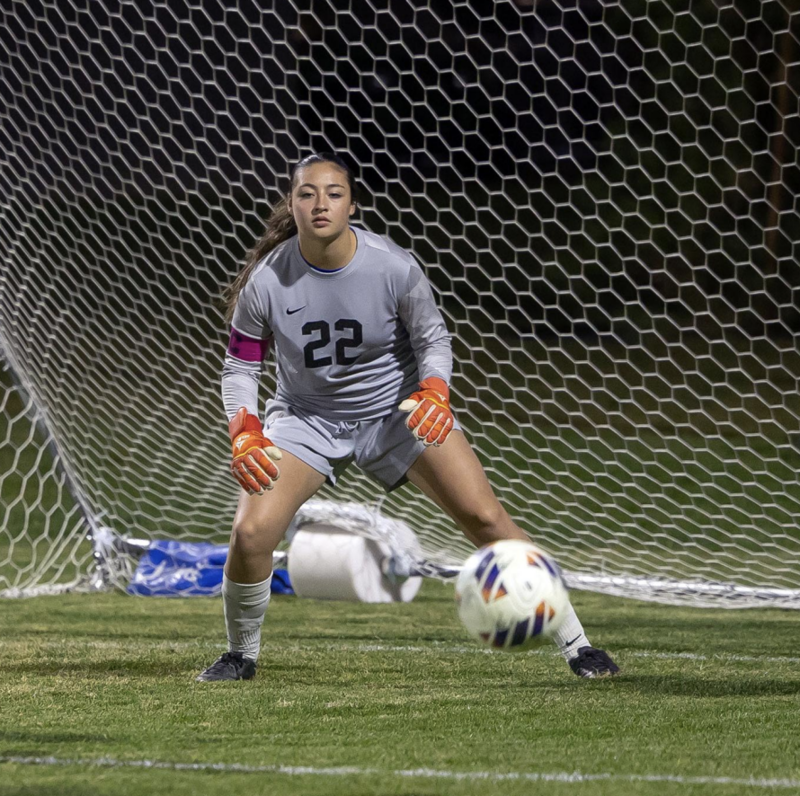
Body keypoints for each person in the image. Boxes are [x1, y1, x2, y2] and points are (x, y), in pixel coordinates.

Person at [196, 152, 619, 682]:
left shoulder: (392, 266)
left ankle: (580, 647)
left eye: (333, 193)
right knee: (252, 534)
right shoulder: (266, 281)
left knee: (485, 518)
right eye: (307, 193)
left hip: (397, 413)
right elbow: (239, 365)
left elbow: (432, 340)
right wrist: (245, 431)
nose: (320, 203)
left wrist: (436, 393)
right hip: (307, 419)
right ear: (292, 203)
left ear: (353, 204)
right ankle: (241, 655)